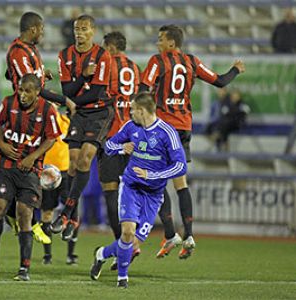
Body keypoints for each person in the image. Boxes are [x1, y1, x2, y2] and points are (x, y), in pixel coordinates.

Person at [140, 24, 245, 259]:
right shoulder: (192, 61)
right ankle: (188, 235)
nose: (157, 43)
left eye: (160, 39)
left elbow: (143, 89)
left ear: (171, 43)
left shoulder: (158, 62)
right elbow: (220, 81)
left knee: (152, 181)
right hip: (184, 128)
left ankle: (170, 234)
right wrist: (235, 69)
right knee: (180, 183)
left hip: (163, 127)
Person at [90, 92, 187, 288]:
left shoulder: (167, 133)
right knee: (127, 233)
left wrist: (151, 175)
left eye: (132, 109)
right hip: (131, 187)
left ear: (141, 111)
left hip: (153, 195)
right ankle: (122, 279)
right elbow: (108, 145)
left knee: (133, 242)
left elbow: (180, 166)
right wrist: (121, 148)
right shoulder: (130, 127)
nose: (130, 112)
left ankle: (101, 254)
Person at [0, 74, 61, 282]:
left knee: (24, 214)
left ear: (37, 92)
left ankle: (24, 268)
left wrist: (34, 157)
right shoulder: (8, 103)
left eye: (28, 91)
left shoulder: (47, 110)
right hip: (5, 167)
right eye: (20, 90)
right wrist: (2, 144)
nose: (23, 95)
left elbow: (52, 137)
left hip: (30, 171)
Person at [50, 14, 113, 241]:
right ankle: (73, 219)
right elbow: (68, 91)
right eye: (77, 28)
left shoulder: (103, 56)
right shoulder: (64, 56)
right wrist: (83, 75)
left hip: (99, 112)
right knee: (73, 165)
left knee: (86, 159)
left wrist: (74, 100)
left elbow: (96, 92)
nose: (79, 32)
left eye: (84, 28)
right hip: (78, 112)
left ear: (92, 32)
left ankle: (65, 212)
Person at [98, 31, 141, 268]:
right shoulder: (135, 69)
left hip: (111, 137)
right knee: (133, 192)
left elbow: (98, 97)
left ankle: (123, 245)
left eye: (105, 48)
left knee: (111, 193)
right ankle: (134, 241)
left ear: (111, 47)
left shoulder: (107, 66)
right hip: (133, 137)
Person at [4, 11, 76, 113]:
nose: (42, 33)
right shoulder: (19, 51)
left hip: (35, 104)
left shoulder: (30, 47)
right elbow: (30, 86)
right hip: (26, 110)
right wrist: (64, 100)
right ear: (33, 29)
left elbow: (12, 74)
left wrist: (41, 75)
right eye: (41, 29)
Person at [40, 104, 73, 265]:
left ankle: (71, 255)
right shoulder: (42, 123)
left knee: (71, 211)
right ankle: (47, 255)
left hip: (66, 172)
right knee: (47, 213)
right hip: (47, 173)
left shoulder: (67, 121)